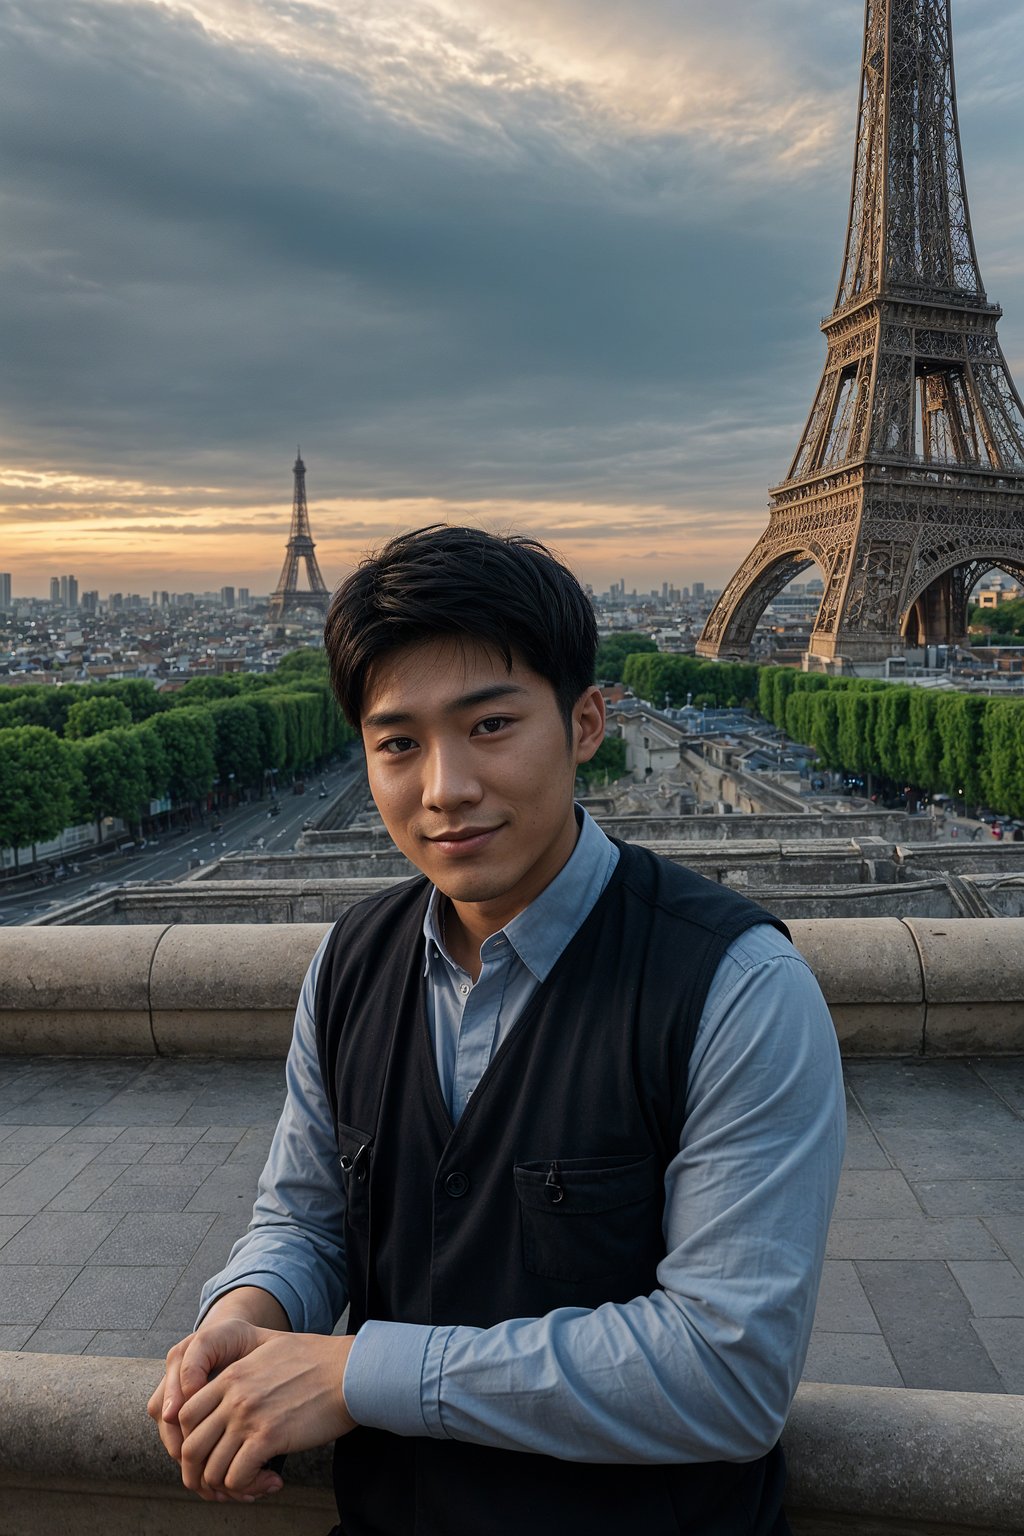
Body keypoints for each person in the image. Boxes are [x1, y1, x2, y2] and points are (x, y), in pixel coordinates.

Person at [149, 526, 845, 1536]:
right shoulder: (348, 963)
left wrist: (359, 1373)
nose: (444, 788)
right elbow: (304, 1220)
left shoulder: (741, 989)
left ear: (588, 723)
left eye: (488, 727)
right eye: (398, 743)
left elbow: (728, 1375)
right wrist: (244, 1316)